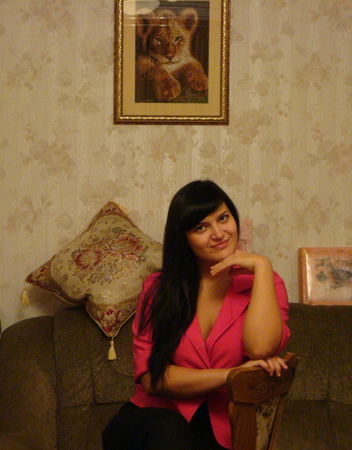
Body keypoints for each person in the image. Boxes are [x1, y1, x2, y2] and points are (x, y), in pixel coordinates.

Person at [102, 180, 290, 450]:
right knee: (169, 430)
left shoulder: (264, 283)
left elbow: (260, 348)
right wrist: (232, 375)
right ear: (184, 238)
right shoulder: (158, 289)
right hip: (151, 420)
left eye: (223, 218)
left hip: (222, 427)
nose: (219, 233)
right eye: (201, 227)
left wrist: (262, 266)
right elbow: (153, 379)